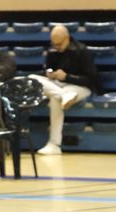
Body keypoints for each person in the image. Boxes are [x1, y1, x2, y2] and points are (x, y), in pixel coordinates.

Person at [31, 24, 99, 156]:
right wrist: (49, 74)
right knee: (32, 78)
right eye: (54, 44)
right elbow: (47, 70)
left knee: (55, 99)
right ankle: (64, 96)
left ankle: (54, 144)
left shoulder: (82, 51)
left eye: (59, 44)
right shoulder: (52, 52)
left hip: (80, 87)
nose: (56, 47)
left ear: (67, 38)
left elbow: (91, 80)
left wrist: (68, 77)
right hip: (59, 87)